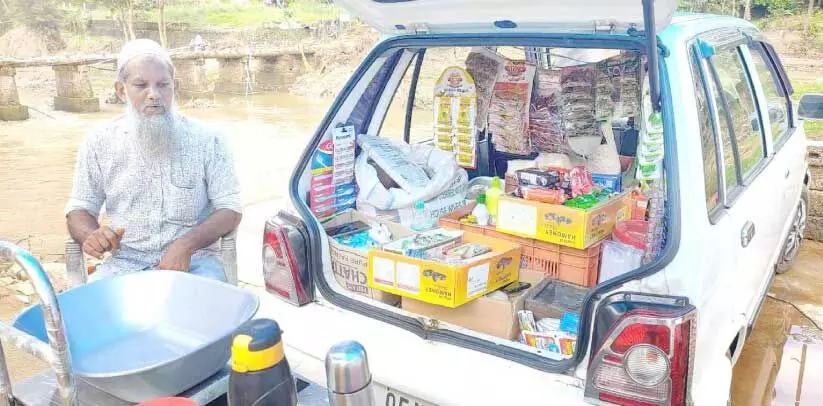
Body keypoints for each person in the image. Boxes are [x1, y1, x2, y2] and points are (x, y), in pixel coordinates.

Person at [65, 38, 242, 282]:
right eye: (141, 85)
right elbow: (79, 208)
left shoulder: (209, 140)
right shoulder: (98, 143)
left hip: (195, 262)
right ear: (121, 89)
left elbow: (230, 209)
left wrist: (186, 245)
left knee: (200, 316)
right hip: (124, 264)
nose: (153, 95)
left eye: (163, 85)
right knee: (91, 317)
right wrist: (91, 235)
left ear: (174, 86)